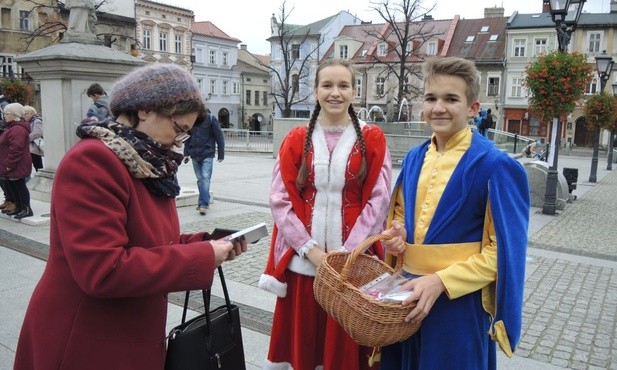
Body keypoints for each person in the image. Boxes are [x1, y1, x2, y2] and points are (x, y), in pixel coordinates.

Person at [14, 63, 248, 370]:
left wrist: (205, 243)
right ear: (146, 110)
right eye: (178, 129)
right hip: (87, 335)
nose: (179, 141)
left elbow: (149, 242)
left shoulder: (147, 163)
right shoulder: (93, 160)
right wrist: (201, 257)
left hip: (128, 329)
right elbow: (103, 269)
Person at [379, 56, 530, 370]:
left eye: (451, 99)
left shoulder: (497, 166)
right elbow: (403, 218)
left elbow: (504, 251)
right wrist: (399, 236)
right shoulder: (413, 158)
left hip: (458, 304)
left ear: (473, 108)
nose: (438, 108)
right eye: (431, 98)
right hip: (407, 296)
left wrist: (441, 282)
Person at [258, 59, 392, 370]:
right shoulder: (295, 139)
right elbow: (279, 200)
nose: (335, 92)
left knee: (345, 344)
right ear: (315, 91)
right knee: (304, 344)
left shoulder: (372, 138)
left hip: (353, 265)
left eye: (343, 85)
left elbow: (379, 198)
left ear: (354, 92)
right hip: (304, 262)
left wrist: (348, 253)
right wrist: (310, 250)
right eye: (327, 85)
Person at [182, 110, 225, 215]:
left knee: (205, 178)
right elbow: (187, 138)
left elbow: (219, 137)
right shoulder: (192, 120)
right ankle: (206, 197)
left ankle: (203, 204)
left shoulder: (210, 119)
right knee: (200, 179)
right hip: (194, 154)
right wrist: (186, 153)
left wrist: (221, 155)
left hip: (207, 153)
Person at [0, 103, 33, 219]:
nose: (5, 116)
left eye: (7, 114)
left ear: (15, 115)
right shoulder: (12, 127)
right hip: (12, 163)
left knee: (19, 186)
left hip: (17, 164)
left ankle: (26, 208)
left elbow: (16, 148)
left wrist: (9, 164)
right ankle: (19, 207)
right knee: (14, 186)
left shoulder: (17, 129)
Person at [24, 106, 44, 171]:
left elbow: (37, 132)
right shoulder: (30, 121)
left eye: (25, 114)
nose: (24, 116)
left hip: (35, 147)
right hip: (31, 146)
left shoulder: (36, 120)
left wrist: (26, 139)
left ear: (31, 113)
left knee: (38, 165)